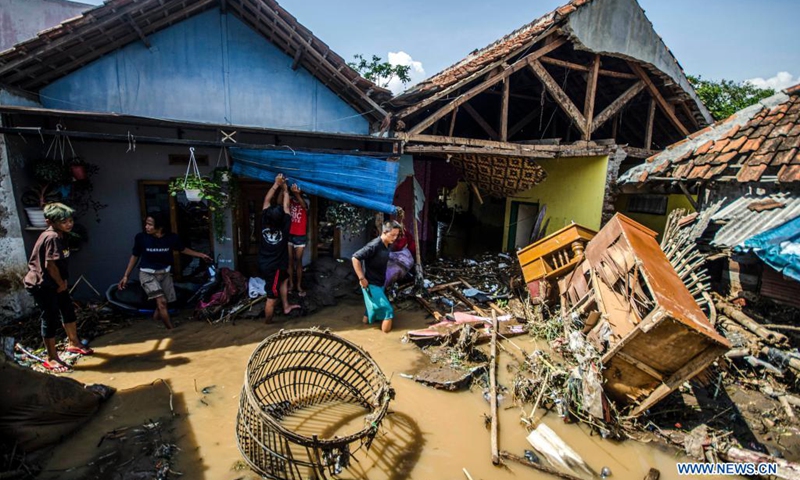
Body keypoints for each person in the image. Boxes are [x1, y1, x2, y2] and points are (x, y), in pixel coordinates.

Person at [23, 203, 93, 373]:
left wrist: (61, 283)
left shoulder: (62, 235)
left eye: (70, 220)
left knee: (68, 310)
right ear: (49, 221)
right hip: (43, 284)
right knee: (50, 318)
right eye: (64, 221)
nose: (69, 224)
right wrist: (61, 283)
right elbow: (50, 265)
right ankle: (51, 358)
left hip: (56, 282)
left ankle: (73, 343)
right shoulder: (52, 237)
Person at [118, 214, 212, 329]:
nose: (146, 227)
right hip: (147, 274)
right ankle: (170, 330)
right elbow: (135, 256)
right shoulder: (141, 238)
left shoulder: (171, 238)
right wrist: (126, 276)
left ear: (160, 227)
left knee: (164, 302)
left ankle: (155, 321)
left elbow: (183, 249)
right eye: (146, 224)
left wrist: (200, 255)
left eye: (150, 224)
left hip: (164, 273)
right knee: (161, 301)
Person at [260, 174, 301, 323]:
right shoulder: (285, 226)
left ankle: (286, 306)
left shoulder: (264, 221)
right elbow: (286, 206)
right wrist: (285, 190)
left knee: (284, 280)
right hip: (274, 266)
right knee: (271, 297)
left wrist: (276, 185)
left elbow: (266, 200)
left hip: (267, 262)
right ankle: (267, 323)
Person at [352, 221, 402, 333]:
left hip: (380, 283)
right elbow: (355, 258)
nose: (395, 238)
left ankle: (362, 329)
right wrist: (361, 278)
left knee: (371, 310)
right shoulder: (374, 245)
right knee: (388, 311)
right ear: (384, 232)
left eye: (397, 235)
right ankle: (386, 339)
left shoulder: (388, 244)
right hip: (371, 284)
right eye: (393, 235)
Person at [286, 183, 309, 297]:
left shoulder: (305, 199)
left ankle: (298, 285)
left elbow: (304, 206)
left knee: (298, 261)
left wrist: (297, 194)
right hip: (289, 233)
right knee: (290, 260)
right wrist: (284, 188)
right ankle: (291, 285)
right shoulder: (289, 199)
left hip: (300, 235)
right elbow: (281, 203)